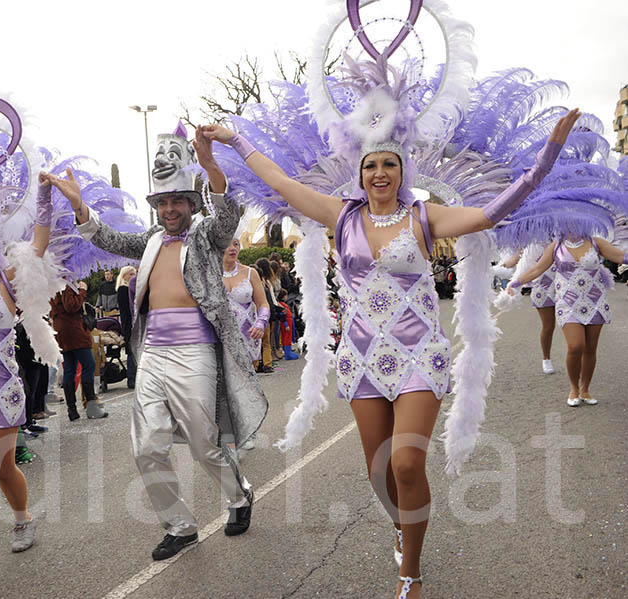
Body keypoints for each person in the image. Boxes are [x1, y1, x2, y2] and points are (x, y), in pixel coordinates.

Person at [203, 102, 578, 598]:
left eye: (389, 164)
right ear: (360, 174)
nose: (380, 173)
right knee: (378, 470)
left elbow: (493, 211)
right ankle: (402, 526)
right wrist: (234, 141)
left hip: (419, 354)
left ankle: (411, 574)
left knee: (406, 463)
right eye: (371, 165)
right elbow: (280, 182)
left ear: (403, 172)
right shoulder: (341, 215)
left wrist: (546, 158)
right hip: (360, 358)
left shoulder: (425, 217)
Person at [45, 122, 266, 561]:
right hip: (152, 356)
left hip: (196, 352)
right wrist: (79, 206)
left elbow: (227, 217)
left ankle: (239, 495)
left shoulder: (205, 236)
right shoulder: (149, 242)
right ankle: (180, 525)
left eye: (176, 202)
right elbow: (107, 238)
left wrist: (209, 166)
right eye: (162, 202)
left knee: (204, 442)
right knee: (146, 446)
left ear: (189, 203)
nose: (169, 209)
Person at [507, 235, 627, 405]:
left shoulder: (595, 242)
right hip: (568, 302)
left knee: (591, 348)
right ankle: (574, 388)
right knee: (576, 345)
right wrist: (515, 282)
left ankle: (585, 389)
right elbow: (537, 270)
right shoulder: (556, 246)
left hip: (595, 301)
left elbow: (621, 257)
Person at [49, 283, 108, 421]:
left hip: (61, 328)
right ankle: (91, 407)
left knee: (70, 368)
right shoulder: (65, 281)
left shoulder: (53, 280)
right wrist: (82, 291)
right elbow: (71, 305)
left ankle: (72, 410)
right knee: (89, 364)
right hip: (73, 329)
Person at [504, 247, 557, 374]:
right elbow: (516, 259)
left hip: (566, 283)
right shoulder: (531, 239)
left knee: (572, 324)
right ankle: (546, 358)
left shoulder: (564, 236)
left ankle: (577, 356)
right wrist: (496, 268)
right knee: (549, 326)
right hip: (542, 286)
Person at [222, 238, 268, 365]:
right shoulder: (210, 274)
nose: (233, 248)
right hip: (221, 337)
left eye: (236, 244)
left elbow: (262, 303)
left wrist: (261, 322)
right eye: (228, 244)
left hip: (248, 336)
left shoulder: (250, 273)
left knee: (248, 380)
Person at [116, 265, 137, 388]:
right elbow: (127, 310)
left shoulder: (128, 288)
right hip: (129, 322)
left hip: (131, 321)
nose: (133, 277)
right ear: (124, 275)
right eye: (131, 274)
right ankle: (131, 377)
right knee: (131, 350)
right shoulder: (123, 289)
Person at [277, 289, 298, 360]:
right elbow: (282, 315)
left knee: (288, 337)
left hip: (289, 322)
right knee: (286, 337)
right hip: (286, 323)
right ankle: (287, 353)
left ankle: (288, 352)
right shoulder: (282, 305)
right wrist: (286, 325)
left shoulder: (284, 304)